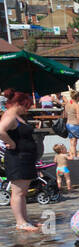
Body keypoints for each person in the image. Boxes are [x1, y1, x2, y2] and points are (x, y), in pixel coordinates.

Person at [0, 90, 44, 232]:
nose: (27, 109)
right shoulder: (10, 115)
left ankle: (25, 219)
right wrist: (11, 142)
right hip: (17, 158)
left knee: (23, 192)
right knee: (18, 192)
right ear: (19, 103)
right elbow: (1, 130)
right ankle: (20, 222)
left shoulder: (17, 116)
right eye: (26, 106)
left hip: (25, 157)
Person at [64, 90, 79, 158]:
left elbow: (68, 114)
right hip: (75, 125)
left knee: (73, 143)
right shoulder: (77, 105)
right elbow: (78, 117)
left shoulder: (67, 103)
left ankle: (73, 157)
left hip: (68, 124)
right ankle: (78, 156)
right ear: (78, 97)